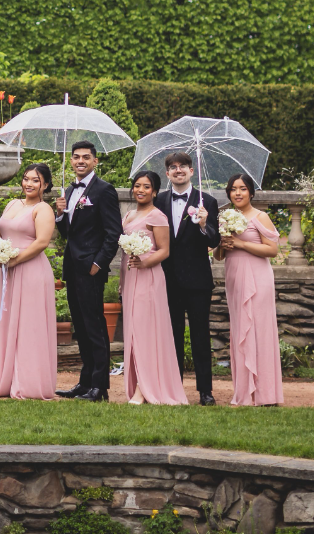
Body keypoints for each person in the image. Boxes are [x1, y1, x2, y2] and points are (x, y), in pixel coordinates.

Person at [54, 139, 123, 402]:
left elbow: (113, 232)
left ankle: (99, 387)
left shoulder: (104, 190)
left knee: (95, 328)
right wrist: (60, 215)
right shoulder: (69, 190)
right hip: (73, 269)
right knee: (81, 328)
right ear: (71, 161)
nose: (80, 161)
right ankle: (84, 383)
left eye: (85, 157)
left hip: (91, 270)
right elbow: (68, 233)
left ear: (95, 161)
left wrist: (98, 264)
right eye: (76, 157)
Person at [0, 162, 59, 401]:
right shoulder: (12, 204)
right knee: (10, 324)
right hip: (8, 270)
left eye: (35, 180)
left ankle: (29, 383)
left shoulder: (43, 210)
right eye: (26, 179)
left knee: (30, 325)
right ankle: (8, 380)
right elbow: (0, 232)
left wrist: (15, 259)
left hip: (31, 271)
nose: (29, 183)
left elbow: (41, 243)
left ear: (45, 185)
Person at [119, 171, 187, 406]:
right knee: (134, 332)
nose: (140, 190)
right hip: (130, 277)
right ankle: (139, 382)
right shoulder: (128, 215)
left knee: (146, 332)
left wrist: (144, 261)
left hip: (149, 277)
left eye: (146, 187)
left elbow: (164, 251)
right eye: (137, 186)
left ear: (155, 191)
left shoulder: (158, 216)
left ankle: (143, 389)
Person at [159, 151, 222, 405]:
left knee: (199, 335)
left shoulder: (207, 200)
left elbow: (215, 240)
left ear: (191, 171)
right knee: (171, 334)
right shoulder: (160, 200)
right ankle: (175, 389)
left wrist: (205, 225)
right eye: (173, 167)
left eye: (183, 166)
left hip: (197, 281)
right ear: (167, 173)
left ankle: (205, 391)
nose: (178, 170)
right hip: (168, 279)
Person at [217, 173, 283, 407]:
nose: (238, 193)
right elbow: (218, 255)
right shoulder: (225, 218)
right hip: (234, 278)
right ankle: (244, 392)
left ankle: (265, 394)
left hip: (258, 278)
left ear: (251, 192)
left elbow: (272, 250)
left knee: (259, 331)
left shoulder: (260, 216)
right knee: (240, 331)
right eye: (233, 189)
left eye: (243, 189)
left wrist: (242, 243)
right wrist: (222, 244)